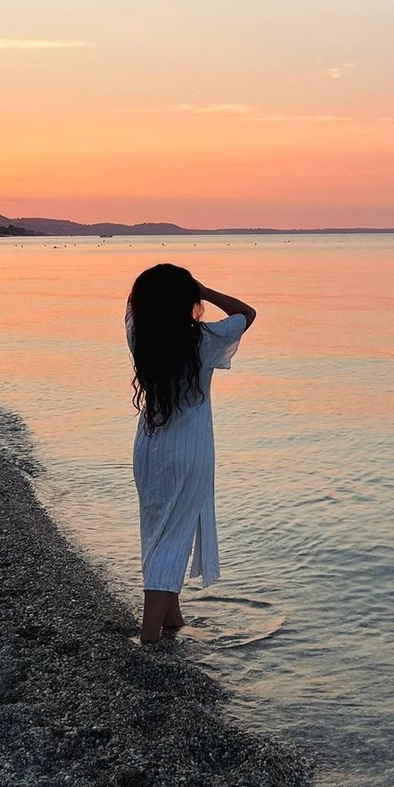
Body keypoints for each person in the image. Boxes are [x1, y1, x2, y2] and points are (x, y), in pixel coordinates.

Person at [124, 264, 257, 643]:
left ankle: (172, 619)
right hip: (191, 450)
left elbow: (134, 303)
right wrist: (204, 290)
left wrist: (169, 291)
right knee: (173, 535)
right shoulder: (205, 339)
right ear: (189, 301)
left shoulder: (140, 336)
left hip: (150, 448)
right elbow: (247, 314)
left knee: (157, 530)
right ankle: (149, 635)